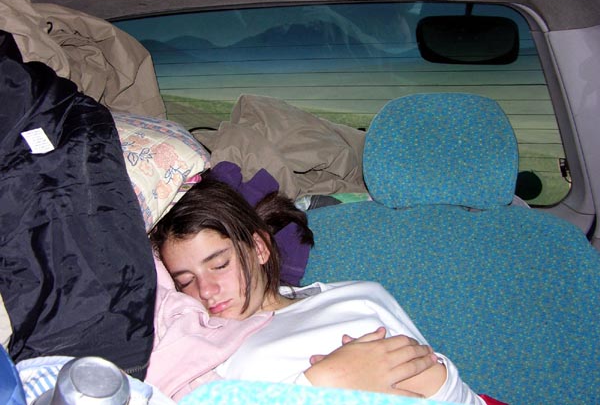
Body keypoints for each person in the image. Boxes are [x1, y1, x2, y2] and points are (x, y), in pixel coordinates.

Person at [149, 173, 490, 404]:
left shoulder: (360, 296)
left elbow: (450, 391)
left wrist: (437, 380)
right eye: (186, 281)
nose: (206, 290)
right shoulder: (205, 344)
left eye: (220, 265)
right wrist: (321, 385)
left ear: (259, 248)